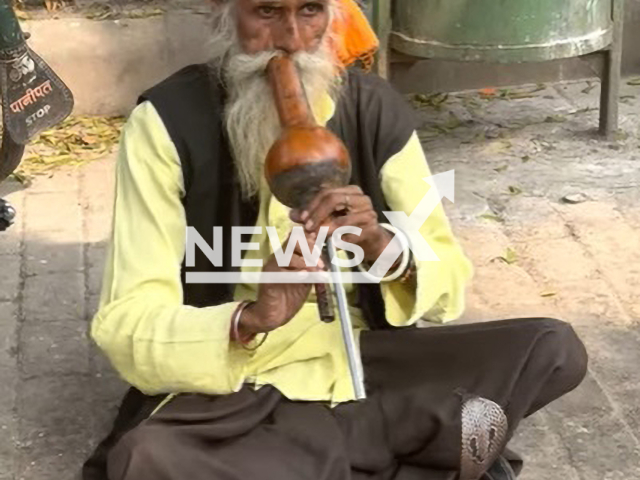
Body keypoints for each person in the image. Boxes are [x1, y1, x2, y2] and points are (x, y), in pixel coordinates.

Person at [83, 1, 588, 479]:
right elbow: (125, 321)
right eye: (266, 11)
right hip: (240, 384)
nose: (292, 39)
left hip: (368, 363)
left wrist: (382, 246)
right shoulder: (167, 124)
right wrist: (252, 317)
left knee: (551, 347)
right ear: (223, 9)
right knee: (146, 457)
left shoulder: (373, 108)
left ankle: (337, 453)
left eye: (310, 11)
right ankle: (415, 446)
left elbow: (449, 278)